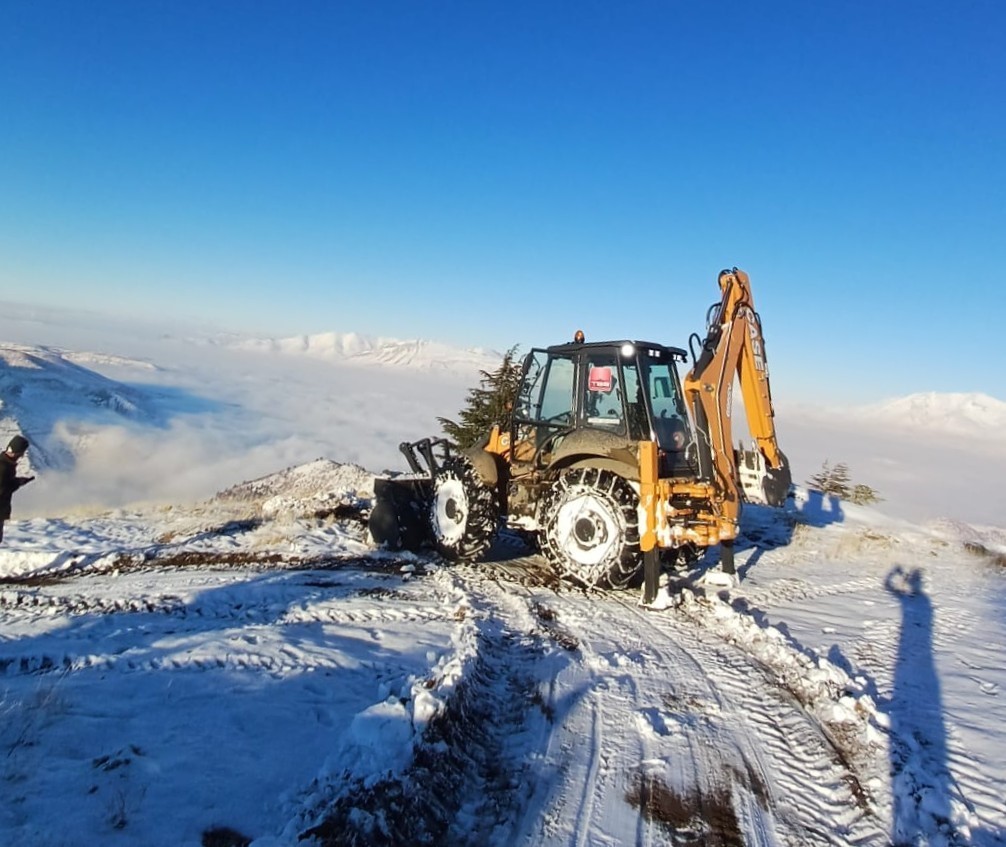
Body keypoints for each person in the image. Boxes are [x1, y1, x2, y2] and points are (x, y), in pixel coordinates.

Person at [0, 435, 34, 544]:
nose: (22, 456)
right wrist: (18, 482)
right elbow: (3, 490)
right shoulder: (4, 467)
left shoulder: (5, 463)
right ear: (17, 452)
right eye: (21, 453)